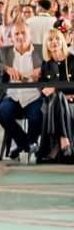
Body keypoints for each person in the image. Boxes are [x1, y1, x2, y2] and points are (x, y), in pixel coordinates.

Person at [0, 22, 44, 160]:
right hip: (13, 97)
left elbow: (54, 63)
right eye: (16, 33)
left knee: (38, 116)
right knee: (2, 113)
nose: (20, 36)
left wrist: (42, 69)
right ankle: (26, 144)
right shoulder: (5, 51)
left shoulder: (40, 50)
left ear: (30, 35)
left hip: (34, 96)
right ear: (11, 37)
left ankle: (28, 143)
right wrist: (6, 68)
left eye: (23, 33)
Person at [39, 29, 74, 160]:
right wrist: (62, 95)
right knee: (57, 98)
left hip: (71, 103)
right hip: (51, 104)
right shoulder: (46, 64)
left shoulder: (72, 60)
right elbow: (43, 89)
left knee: (58, 97)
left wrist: (55, 89)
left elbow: (51, 89)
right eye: (50, 39)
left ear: (63, 41)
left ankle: (55, 147)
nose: (54, 42)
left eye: (57, 38)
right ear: (46, 45)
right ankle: (64, 139)